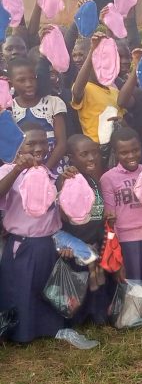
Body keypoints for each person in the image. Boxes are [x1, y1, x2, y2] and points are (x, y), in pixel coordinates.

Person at [0, 123, 65, 342]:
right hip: (23, 244)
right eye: (31, 143)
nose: (39, 148)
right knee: (20, 289)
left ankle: (46, 327)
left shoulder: (48, 172)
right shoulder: (9, 170)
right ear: (18, 147)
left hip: (47, 242)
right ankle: (22, 332)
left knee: (43, 288)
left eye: (43, 143)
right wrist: (18, 168)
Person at [100, 127, 142, 317]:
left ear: (141, 148)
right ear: (116, 152)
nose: (131, 155)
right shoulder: (108, 178)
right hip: (126, 237)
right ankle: (132, 313)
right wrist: (115, 243)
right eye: (124, 152)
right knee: (132, 276)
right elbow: (110, 216)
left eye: (135, 150)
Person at [57, 135, 110, 325]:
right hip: (76, 250)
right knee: (77, 291)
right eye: (84, 154)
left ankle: (98, 316)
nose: (91, 158)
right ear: (71, 157)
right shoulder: (67, 181)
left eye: (94, 152)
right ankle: (77, 320)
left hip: (95, 248)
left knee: (97, 288)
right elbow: (60, 217)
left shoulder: (94, 180)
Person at [9, 57, 67, 173]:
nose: (29, 84)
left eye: (32, 78)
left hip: (54, 164)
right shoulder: (9, 108)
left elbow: (62, 143)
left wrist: (45, 170)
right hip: (23, 168)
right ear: (11, 83)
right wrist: (25, 169)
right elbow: (9, 147)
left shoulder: (53, 102)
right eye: (21, 80)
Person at [71, 32, 124, 144]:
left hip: (116, 146)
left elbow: (123, 117)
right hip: (96, 147)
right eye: (96, 64)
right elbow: (77, 92)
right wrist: (92, 51)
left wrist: (120, 122)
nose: (101, 68)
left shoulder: (114, 91)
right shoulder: (86, 89)